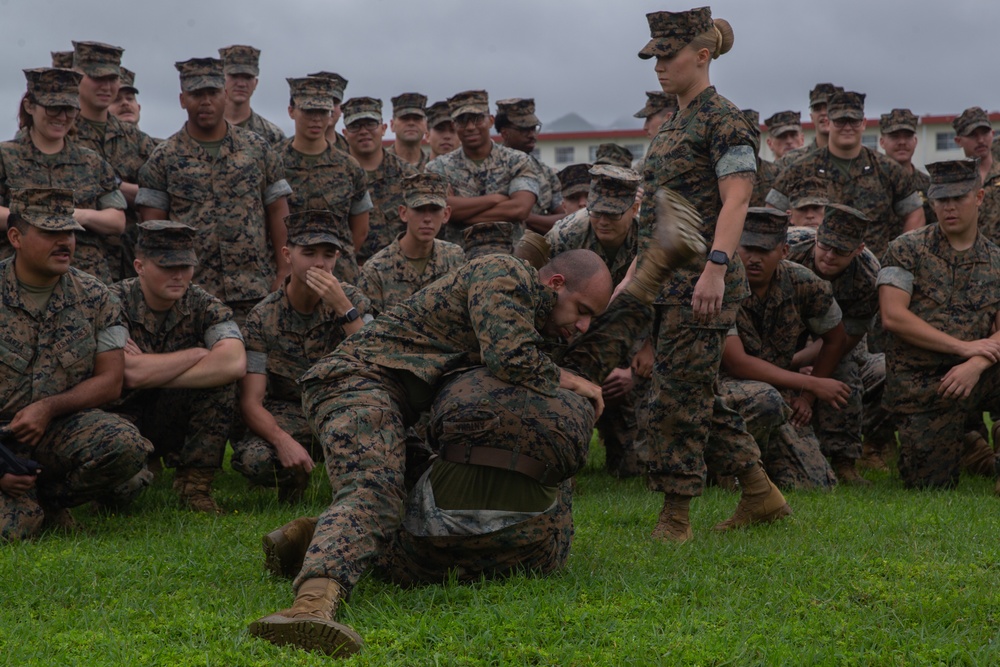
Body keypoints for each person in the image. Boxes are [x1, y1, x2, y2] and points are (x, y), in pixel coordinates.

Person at [247, 248, 614, 655]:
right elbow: (510, 358)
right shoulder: (504, 272)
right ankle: (307, 609)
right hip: (356, 381)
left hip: (397, 401)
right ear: (556, 284)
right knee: (375, 490)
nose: (582, 326)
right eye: (582, 310)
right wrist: (579, 384)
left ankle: (307, 536)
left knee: (423, 499)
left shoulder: (529, 313)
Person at [629, 7, 790, 541]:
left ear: (702, 56)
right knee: (694, 389)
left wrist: (717, 268)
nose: (658, 66)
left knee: (677, 398)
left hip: (703, 285)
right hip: (670, 282)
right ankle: (760, 491)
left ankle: (675, 517)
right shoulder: (675, 121)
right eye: (654, 56)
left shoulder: (724, 119)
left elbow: (738, 197)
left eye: (668, 55)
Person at [0, 187, 151, 541]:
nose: (64, 241)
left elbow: (111, 381)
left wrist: (48, 408)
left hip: (56, 428)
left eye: (68, 232)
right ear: (16, 237)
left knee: (126, 446)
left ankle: (49, 499)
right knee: (10, 532)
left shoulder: (97, 297)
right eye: (51, 233)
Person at [136, 57, 292, 324]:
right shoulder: (164, 158)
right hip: (191, 293)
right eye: (197, 94)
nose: (205, 101)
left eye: (213, 93)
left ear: (226, 95)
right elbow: (153, 231)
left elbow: (278, 210)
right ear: (182, 100)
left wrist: (283, 271)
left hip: (255, 289)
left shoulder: (258, 149)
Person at [878, 159, 1000, 491]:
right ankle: (967, 445)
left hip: (977, 373)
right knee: (929, 484)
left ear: (979, 197)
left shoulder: (997, 260)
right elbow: (893, 315)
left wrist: (975, 362)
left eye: (958, 198)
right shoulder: (906, 249)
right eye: (941, 199)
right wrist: (964, 347)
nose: (948, 207)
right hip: (924, 385)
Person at [108, 221, 246, 513]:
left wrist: (151, 373)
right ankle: (137, 465)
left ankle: (195, 485)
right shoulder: (111, 302)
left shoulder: (204, 304)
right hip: (122, 412)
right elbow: (127, 372)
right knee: (122, 491)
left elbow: (234, 363)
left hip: (175, 413)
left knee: (221, 385)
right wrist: (196, 353)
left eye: (185, 266)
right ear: (139, 266)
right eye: (167, 266)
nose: (179, 275)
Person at [232, 211, 369, 503]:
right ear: (288, 254)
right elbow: (250, 401)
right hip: (289, 414)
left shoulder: (352, 301)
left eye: (328, 254)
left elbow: (377, 359)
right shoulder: (263, 317)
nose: (320, 264)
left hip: (342, 409)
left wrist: (343, 308)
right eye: (309, 253)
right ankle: (297, 473)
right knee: (257, 460)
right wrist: (283, 441)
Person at [720, 208, 847, 490]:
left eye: (765, 250)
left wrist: (808, 397)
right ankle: (725, 468)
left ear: (784, 250)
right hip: (720, 389)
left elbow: (836, 338)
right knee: (766, 400)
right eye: (748, 247)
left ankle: (760, 464)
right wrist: (813, 383)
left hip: (778, 391)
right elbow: (737, 362)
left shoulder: (804, 283)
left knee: (816, 484)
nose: (754, 258)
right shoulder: (720, 283)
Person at [545, 164, 648, 477]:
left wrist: (638, 363)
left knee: (634, 469)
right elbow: (539, 297)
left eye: (613, 214)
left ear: (634, 208)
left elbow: (668, 307)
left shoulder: (650, 241)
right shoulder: (565, 235)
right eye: (596, 212)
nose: (602, 221)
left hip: (633, 345)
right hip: (569, 336)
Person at [0, 67, 126, 284]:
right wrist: (38, 220)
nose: (62, 117)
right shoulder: (5, 156)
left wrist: (79, 216)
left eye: (69, 109)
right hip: (18, 278)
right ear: (30, 106)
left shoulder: (91, 161)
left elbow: (117, 220)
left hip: (85, 280)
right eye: (53, 109)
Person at [786, 204, 882, 485]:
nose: (828, 256)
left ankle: (844, 459)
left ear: (858, 249)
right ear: (816, 237)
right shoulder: (788, 249)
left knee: (844, 375)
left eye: (839, 251)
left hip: (835, 338)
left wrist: (807, 383)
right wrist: (787, 368)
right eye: (824, 246)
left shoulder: (868, 278)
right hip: (784, 327)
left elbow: (840, 342)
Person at [768, 91, 925, 259]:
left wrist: (899, 256)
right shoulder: (801, 168)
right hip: (815, 270)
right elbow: (772, 212)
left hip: (873, 271)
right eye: (840, 121)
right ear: (828, 122)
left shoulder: (887, 169)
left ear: (864, 123)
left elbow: (914, 213)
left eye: (854, 121)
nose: (848, 127)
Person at [70, 41, 157, 282]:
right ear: (77, 76)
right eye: (98, 78)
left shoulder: (138, 141)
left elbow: (160, 196)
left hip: (131, 266)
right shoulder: (59, 136)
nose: (107, 87)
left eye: (113, 78)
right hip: (76, 267)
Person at [278, 76, 372, 285]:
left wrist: (332, 257)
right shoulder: (274, 162)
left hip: (340, 276)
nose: (316, 119)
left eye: (322, 112)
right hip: (288, 277)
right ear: (291, 111)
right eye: (308, 111)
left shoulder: (349, 166)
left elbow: (360, 228)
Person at [425, 90, 539, 255]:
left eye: (477, 118)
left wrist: (460, 215)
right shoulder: (437, 168)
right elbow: (442, 211)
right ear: (454, 125)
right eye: (463, 120)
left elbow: (520, 209)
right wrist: (496, 199)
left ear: (491, 120)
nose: (470, 127)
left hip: (512, 261)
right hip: (459, 262)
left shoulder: (517, 161)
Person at [358, 172, 465, 317]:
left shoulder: (455, 258)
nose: (427, 219)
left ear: (446, 214)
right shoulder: (376, 270)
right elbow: (368, 330)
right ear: (403, 213)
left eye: (434, 210)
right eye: (419, 209)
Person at [340, 96, 418, 265]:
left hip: (400, 267)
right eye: (355, 126)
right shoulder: (336, 175)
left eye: (370, 124)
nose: (363, 131)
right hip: (351, 269)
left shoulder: (408, 175)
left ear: (383, 128)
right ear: (345, 134)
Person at [496, 98, 566, 234]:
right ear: (505, 133)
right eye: (524, 129)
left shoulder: (545, 172)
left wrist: (522, 214)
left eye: (534, 128)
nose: (532, 135)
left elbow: (565, 219)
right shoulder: (490, 166)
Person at [218, 44, 285, 146]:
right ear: (221, 79)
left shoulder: (273, 136)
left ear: (256, 83)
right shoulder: (204, 130)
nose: (241, 84)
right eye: (234, 76)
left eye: (248, 77)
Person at [952, 107, 1000, 242]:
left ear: (993, 134)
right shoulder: (953, 181)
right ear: (958, 141)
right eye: (973, 135)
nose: (980, 140)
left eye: (985, 133)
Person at [306, 71, 350, 154]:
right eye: (322, 102)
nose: (329, 108)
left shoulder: (352, 151)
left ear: (341, 109)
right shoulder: (283, 152)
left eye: (334, 102)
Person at [386, 93, 429, 169]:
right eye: (404, 118)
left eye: (417, 118)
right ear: (392, 125)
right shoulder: (379, 163)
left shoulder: (435, 167)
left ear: (426, 125)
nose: (411, 123)